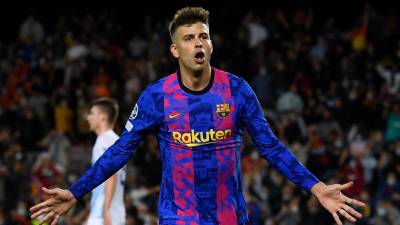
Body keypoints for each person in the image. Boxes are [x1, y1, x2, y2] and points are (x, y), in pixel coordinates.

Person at [30, 7, 365, 225]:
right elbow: (120, 152)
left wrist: (316, 187)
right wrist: (75, 192)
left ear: (211, 44)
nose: (197, 43)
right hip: (178, 218)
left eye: (203, 36)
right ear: (175, 50)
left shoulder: (236, 90)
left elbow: (271, 147)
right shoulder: (156, 96)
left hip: (231, 218)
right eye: (188, 38)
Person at [85, 98, 126, 225]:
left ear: (103, 117)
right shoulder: (115, 140)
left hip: (105, 212)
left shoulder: (104, 141)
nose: (88, 118)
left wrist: (106, 210)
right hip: (114, 210)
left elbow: (111, 175)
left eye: (92, 113)